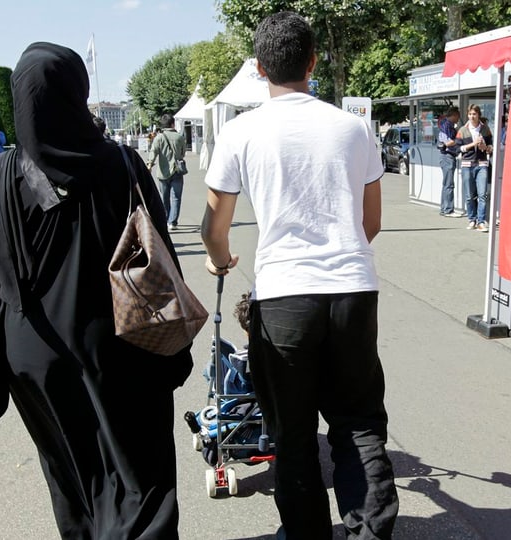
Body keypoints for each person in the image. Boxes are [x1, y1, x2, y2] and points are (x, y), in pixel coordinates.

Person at [0, 42, 192, 539]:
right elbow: (160, 256)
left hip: (36, 360)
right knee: (140, 474)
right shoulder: (120, 165)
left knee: (74, 479)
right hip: (122, 347)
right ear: (77, 92)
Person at [202, 12, 399, 539]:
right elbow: (370, 221)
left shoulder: (240, 132)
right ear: (313, 62)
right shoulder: (354, 128)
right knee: (358, 422)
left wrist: (219, 258)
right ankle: (368, 532)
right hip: (353, 289)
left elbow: (213, 226)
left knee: (292, 434)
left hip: (284, 295)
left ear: (260, 68)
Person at [456, 104, 493, 232]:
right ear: (468, 115)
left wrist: (486, 147)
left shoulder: (485, 129)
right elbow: (457, 148)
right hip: (467, 165)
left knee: (482, 194)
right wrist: (473, 144)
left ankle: (481, 221)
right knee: (469, 195)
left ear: (478, 115)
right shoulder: (462, 130)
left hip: (482, 164)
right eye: (470, 114)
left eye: (474, 114)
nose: (472, 116)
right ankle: (472, 219)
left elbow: (490, 147)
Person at [148, 114, 186, 231]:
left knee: (164, 198)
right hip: (177, 171)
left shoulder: (159, 138)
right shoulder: (179, 137)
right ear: (172, 124)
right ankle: (173, 222)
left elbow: (153, 152)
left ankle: (166, 218)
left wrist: (150, 164)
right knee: (176, 198)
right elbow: (183, 153)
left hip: (163, 172)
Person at [437, 106, 462, 217]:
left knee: (446, 183)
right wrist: (459, 140)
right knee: (449, 184)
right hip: (447, 156)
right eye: (458, 116)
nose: (458, 119)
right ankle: (448, 209)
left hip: (447, 156)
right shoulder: (446, 126)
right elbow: (447, 142)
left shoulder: (446, 125)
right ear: (454, 115)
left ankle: (445, 208)